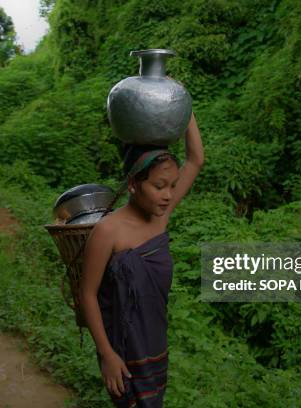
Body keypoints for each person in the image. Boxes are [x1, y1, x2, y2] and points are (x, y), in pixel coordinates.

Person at [79, 111, 204, 407]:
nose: (168, 195)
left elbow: (196, 159)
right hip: (122, 348)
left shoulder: (160, 218)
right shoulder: (108, 231)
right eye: (159, 186)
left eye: (172, 186)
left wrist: (184, 107)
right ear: (134, 184)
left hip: (155, 340)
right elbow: (88, 295)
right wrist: (107, 355)